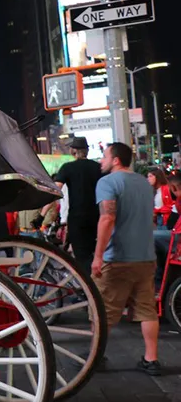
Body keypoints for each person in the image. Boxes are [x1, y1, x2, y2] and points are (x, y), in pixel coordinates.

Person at [93, 143, 161, 376]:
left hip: (117, 258)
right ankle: (151, 359)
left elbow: (107, 219)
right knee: (147, 310)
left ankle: (96, 357)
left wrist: (98, 255)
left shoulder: (107, 183)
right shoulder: (144, 182)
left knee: (103, 310)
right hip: (145, 256)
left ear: (116, 160)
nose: (101, 161)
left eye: (104, 156)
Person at [54, 136, 102, 271]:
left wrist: (42, 214)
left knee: (82, 257)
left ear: (73, 151)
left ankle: (88, 288)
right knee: (98, 253)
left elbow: (55, 190)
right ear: (87, 151)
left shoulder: (67, 168)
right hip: (97, 217)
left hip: (77, 218)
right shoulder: (98, 167)